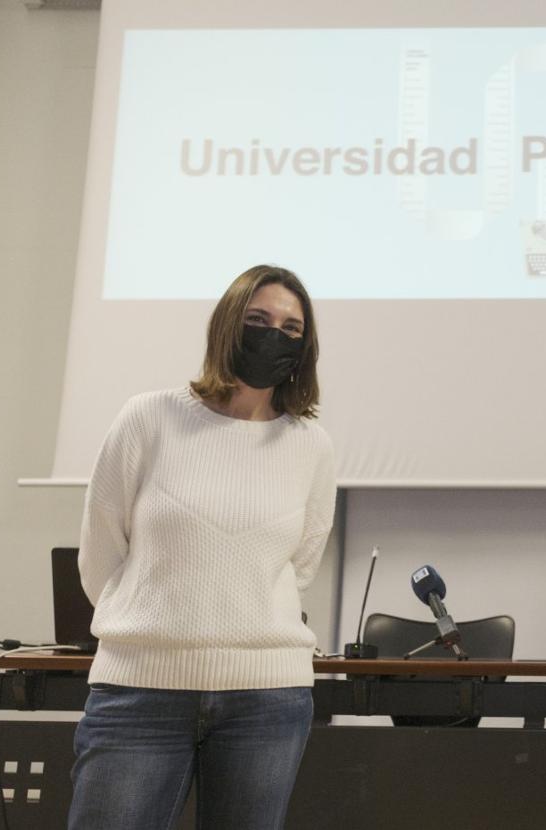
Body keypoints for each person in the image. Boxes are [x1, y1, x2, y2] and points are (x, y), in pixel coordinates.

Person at [69, 265, 336, 829]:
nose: (274, 335)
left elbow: (300, 565)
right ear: (225, 326)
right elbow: (100, 552)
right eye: (258, 319)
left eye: (291, 328)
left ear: (305, 347)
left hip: (267, 699)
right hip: (140, 691)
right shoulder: (149, 417)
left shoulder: (311, 446)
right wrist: (150, 625)